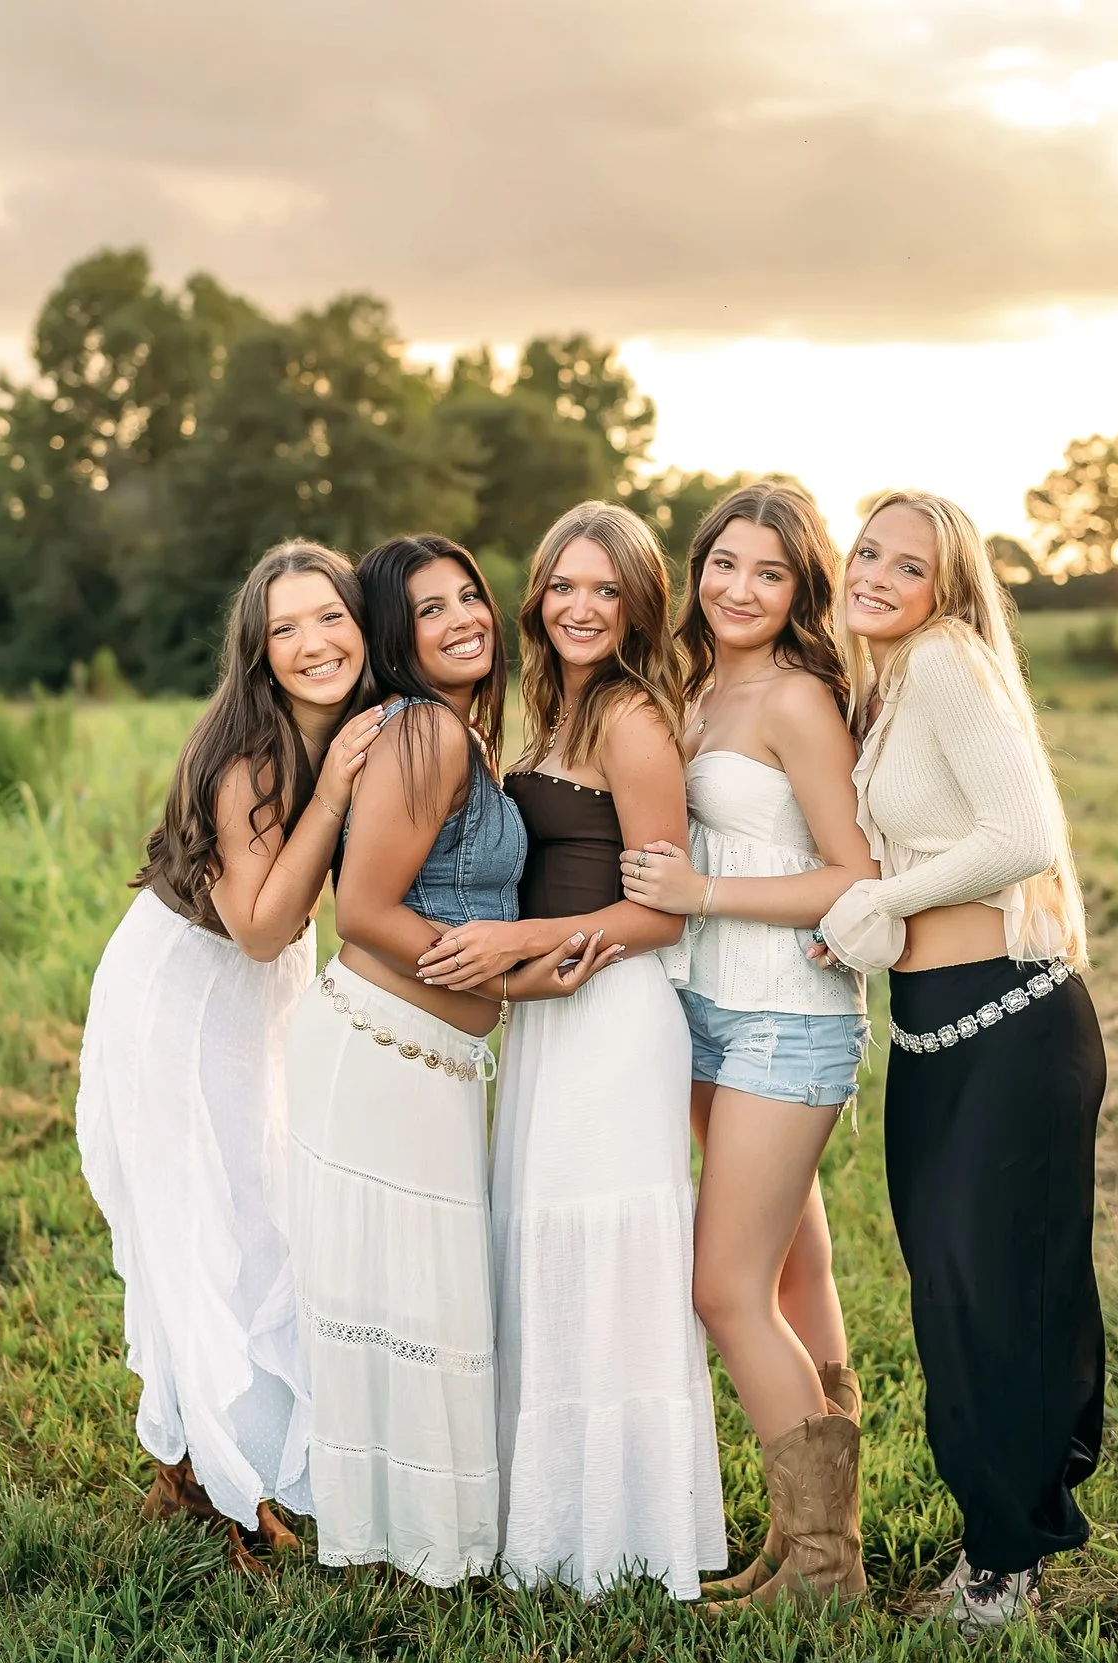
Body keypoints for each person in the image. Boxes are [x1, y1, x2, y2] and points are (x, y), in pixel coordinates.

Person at [286, 533, 621, 1587]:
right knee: (402, 1303)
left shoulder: (463, 736)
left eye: (469, 595)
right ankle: (410, 1539)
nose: (464, 618)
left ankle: (408, 1531)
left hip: (423, 1056)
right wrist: (513, 983)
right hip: (382, 1051)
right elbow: (362, 909)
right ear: (399, 635)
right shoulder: (427, 732)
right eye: (429, 610)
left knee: (412, 1299)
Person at [416, 501, 724, 1601]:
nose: (579, 607)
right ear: (536, 595)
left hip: (612, 1011)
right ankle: (542, 1519)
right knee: (541, 1248)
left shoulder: (632, 718)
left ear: (638, 604)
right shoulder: (555, 707)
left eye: (604, 589)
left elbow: (660, 913)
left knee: (600, 1259)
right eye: (562, 586)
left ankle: (620, 1532)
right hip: (551, 1014)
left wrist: (518, 941)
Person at [814, 490, 1107, 1631]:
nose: (878, 575)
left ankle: (1005, 1565)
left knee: (998, 1299)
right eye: (867, 551)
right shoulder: (889, 684)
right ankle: (996, 1540)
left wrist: (877, 895)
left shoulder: (943, 661)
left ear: (946, 587)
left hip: (1013, 1024)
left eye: (909, 563)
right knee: (950, 1296)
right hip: (934, 1026)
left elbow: (1023, 835)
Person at [75, 541, 385, 1572]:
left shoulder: (347, 727)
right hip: (183, 993)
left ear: (360, 623)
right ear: (257, 647)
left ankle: (213, 1466)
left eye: (329, 617)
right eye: (285, 627)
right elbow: (256, 924)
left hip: (254, 999)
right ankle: (214, 1482)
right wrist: (336, 789)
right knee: (201, 1224)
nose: (312, 643)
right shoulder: (254, 754)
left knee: (259, 1219)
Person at [617, 481, 874, 1605]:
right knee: (790, 1270)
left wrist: (705, 890)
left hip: (785, 1021)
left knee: (723, 1289)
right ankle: (801, 1532)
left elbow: (854, 876)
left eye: (769, 572)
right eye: (724, 563)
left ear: (798, 588)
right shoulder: (699, 685)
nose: (738, 588)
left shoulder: (797, 699)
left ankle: (825, 1567)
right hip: (709, 1016)